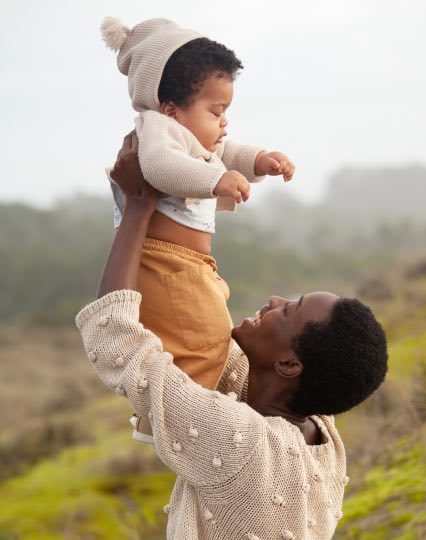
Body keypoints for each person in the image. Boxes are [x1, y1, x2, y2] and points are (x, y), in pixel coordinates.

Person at [76, 133, 388, 539]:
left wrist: (137, 209)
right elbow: (209, 340)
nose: (275, 300)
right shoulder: (322, 435)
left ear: (290, 364)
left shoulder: (242, 441)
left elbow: (117, 339)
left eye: (289, 310)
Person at [100, 17, 295, 440]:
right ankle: (184, 421)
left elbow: (229, 150)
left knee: (206, 336)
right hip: (166, 263)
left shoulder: (189, 135)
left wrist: (260, 160)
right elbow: (159, 167)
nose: (224, 123)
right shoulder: (157, 131)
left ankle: (192, 412)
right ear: (171, 107)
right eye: (216, 111)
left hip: (190, 266)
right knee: (203, 338)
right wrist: (215, 180)